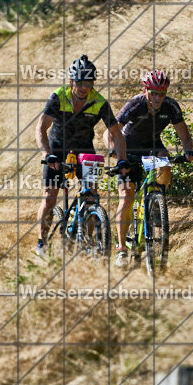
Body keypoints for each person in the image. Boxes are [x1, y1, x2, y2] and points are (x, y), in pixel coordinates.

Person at [35, 55, 128, 258]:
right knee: (50, 198)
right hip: (57, 149)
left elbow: (116, 133)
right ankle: (41, 244)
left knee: (92, 195)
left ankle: (86, 243)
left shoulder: (99, 101)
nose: (84, 87)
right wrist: (47, 154)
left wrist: (122, 159)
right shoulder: (59, 97)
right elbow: (41, 128)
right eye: (80, 82)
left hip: (84, 151)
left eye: (89, 82)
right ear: (71, 81)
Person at [106, 70, 193, 265]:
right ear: (145, 90)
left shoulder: (171, 106)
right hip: (127, 148)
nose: (157, 97)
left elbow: (185, 135)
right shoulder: (135, 104)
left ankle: (157, 201)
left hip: (152, 147)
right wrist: (114, 151)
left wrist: (189, 151)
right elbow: (112, 131)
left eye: (162, 94)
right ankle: (121, 248)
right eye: (153, 93)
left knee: (165, 160)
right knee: (127, 196)